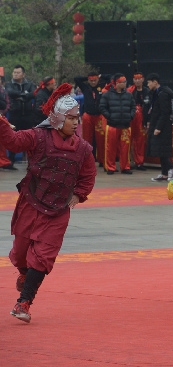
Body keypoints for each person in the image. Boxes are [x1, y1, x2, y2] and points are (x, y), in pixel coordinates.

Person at [1, 83, 96, 323]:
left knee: (43, 257)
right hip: (30, 203)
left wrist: (79, 194)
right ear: (57, 118)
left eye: (77, 118)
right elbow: (12, 142)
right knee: (21, 255)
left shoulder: (83, 148)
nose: (76, 123)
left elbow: (88, 175)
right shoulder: (37, 136)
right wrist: (1, 122)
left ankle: (24, 302)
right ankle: (24, 272)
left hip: (58, 210)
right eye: (71, 118)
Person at [99, 74, 136, 175]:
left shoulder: (128, 95)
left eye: (125, 82)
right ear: (117, 83)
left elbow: (133, 107)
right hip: (112, 125)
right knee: (110, 148)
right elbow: (102, 107)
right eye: (123, 82)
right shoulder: (107, 95)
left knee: (125, 148)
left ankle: (125, 167)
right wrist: (109, 116)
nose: (125, 84)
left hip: (125, 126)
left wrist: (131, 116)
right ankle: (110, 167)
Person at [146, 74, 173, 183]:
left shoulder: (163, 94)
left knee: (162, 150)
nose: (148, 85)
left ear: (155, 82)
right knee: (161, 150)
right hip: (157, 124)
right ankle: (164, 174)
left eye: (149, 82)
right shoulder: (156, 93)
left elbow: (165, 113)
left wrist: (158, 127)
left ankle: (171, 168)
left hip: (163, 127)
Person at [5, 66, 36, 165]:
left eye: (18, 72)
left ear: (23, 74)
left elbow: (34, 93)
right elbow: (10, 92)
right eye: (14, 72)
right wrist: (24, 94)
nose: (15, 74)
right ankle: (11, 160)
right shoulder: (9, 84)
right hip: (15, 115)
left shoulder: (30, 84)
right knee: (13, 138)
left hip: (28, 115)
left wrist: (19, 96)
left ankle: (32, 160)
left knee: (29, 138)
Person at [73, 72, 105, 163]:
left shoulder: (102, 86)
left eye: (95, 80)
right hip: (88, 116)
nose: (93, 82)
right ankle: (88, 159)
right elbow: (76, 79)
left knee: (101, 139)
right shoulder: (85, 87)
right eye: (91, 80)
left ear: (98, 80)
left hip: (99, 116)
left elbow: (110, 78)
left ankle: (102, 159)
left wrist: (100, 75)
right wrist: (87, 78)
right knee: (87, 138)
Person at [127, 73, 149, 171]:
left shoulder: (147, 91)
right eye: (135, 79)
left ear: (143, 79)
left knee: (140, 141)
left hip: (142, 117)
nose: (137, 81)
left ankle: (139, 162)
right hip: (130, 117)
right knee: (128, 140)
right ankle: (127, 162)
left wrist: (148, 120)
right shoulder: (129, 91)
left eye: (139, 79)